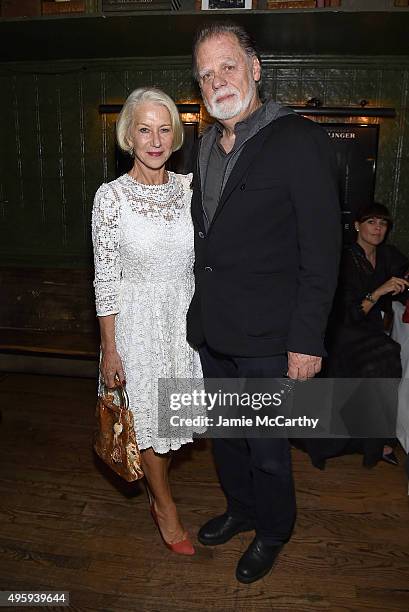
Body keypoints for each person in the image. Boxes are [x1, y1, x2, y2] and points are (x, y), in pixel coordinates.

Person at [187, 22, 341, 583]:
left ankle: (274, 529)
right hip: (215, 333)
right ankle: (242, 509)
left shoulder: (299, 139)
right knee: (226, 439)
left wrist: (306, 340)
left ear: (255, 68)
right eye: (206, 74)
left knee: (268, 449)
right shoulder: (203, 146)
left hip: (272, 341)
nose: (217, 81)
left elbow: (322, 253)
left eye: (227, 66)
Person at [92, 87, 202, 556]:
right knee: (150, 426)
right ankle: (164, 506)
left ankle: (160, 492)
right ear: (128, 136)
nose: (154, 140)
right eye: (144, 129)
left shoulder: (191, 189)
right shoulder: (110, 198)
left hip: (184, 324)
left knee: (172, 423)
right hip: (136, 327)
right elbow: (105, 278)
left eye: (163, 129)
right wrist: (110, 349)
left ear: (175, 135)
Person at [310, 203, 409, 468]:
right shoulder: (343, 259)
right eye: (371, 222)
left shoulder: (388, 255)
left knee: (388, 355)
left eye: (383, 224)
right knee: (383, 356)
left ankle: (375, 441)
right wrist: (379, 291)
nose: (378, 229)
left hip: (370, 330)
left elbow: (405, 271)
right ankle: (366, 440)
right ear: (357, 225)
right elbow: (350, 312)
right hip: (342, 330)